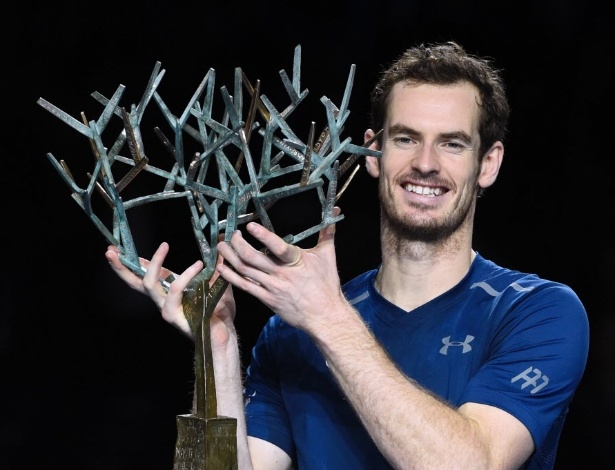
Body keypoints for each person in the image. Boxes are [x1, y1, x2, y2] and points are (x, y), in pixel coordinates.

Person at [106, 41, 589, 469]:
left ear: (488, 163)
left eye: (452, 144)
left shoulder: (537, 312)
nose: (425, 163)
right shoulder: (291, 333)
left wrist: (327, 317)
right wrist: (217, 348)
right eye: (405, 138)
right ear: (372, 152)